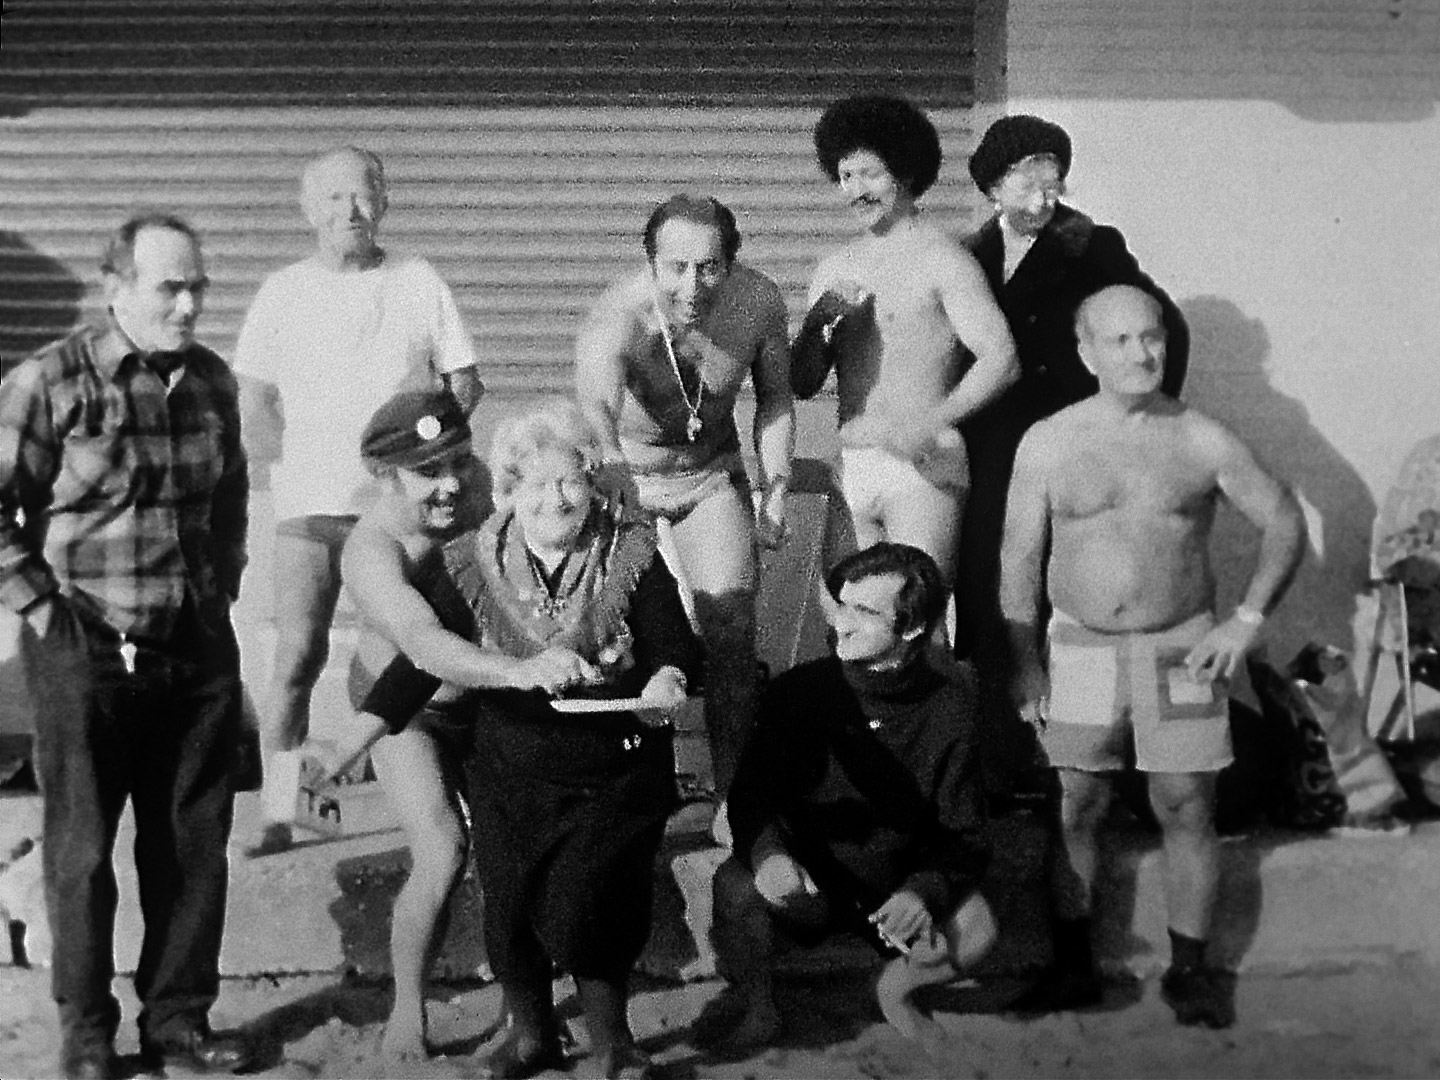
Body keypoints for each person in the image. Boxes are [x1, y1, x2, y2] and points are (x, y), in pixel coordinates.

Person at [348, 402, 703, 1079]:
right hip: (509, 766)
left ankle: (613, 1044)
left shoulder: (629, 553)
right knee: (508, 907)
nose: (555, 499)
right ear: (509, 490)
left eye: (569, 480)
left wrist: (669, 677)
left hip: (612, 770)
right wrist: (354, 740)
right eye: (536, 484)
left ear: (592, 482)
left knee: (586, 901)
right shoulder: (472, 561)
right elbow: (415, 666)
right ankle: (531, 1036)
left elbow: (674, 642)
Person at [999, 285, 1306, 1029]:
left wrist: (1244, 622)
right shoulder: (1049, 440)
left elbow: (1284, 519)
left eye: (1153, 336)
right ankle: (1073, 967)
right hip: (1080, 646)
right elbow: (1018, 560)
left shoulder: (1203, 438)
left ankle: (1191, 972)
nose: (1142, 353)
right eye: (1121, 340)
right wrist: (1026, 665)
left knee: (1186, 802)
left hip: (1180, 646)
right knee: (1075, 802)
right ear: (1087, 353)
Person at [0, 214, 251, 1079]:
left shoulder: (212, 380)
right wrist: (41, 608)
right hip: (85, 643)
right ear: (116, 287)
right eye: (169, 288)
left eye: (197, 288)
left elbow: (231, 498)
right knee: (80, 851)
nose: (188, 306)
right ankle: (86, 1035)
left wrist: (222, 588)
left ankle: (179, 1023)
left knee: (191, 845)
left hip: (195, 645)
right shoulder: (51, 380)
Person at [235, 145, 484, 856]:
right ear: (307, 209)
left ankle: (452, 806)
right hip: (311, 508)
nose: (350, 210)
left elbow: (465, 383)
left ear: (384, 201)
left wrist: (420, 459)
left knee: (422, 646)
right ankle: (282, 813)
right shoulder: (283, 291)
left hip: (396, 510)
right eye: (333, 197)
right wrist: (296, 461)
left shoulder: (417, 279)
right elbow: (252, 400)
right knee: (295, 657)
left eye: (363, 193)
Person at [704, 543, 996, 1054]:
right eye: (841, 604)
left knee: (978, 928)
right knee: (734, 888)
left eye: (864, 611)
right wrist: (768, 855)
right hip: (807, 885)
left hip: (893, 890)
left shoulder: (950, 709)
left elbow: (964, 832)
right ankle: (759, 1007)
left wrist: (923, 891)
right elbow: (750, 794)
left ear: (911, 628)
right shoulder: (799, 692)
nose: (842, 622)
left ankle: (895, 991)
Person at [576, 193, 794, 801]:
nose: (692, 286)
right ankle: (636, 787)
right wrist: (614, 471)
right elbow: (596, 403)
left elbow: (776, 398)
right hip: (633, 480)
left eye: (708, 267)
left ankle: (735, 795)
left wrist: (775, 487)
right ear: (651, 263)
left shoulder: (757, 302)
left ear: (732, 262)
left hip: (709, 474)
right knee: (626, 636)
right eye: (676, 268)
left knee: (731, 623)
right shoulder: (621, 314)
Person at [956, 113, 1189, 671]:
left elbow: (1164, 327)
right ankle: (999, 702)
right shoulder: (971, 254)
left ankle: (1067, 701)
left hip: (1069, 429)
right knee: (988, 568)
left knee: (1064, 570)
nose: (1043, 198)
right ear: (993, 187)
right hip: (993, 439)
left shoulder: (1089, 245)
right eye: (1028, 183)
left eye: (1052, 183)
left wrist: (1140, 413)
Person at [297, 390, 485, 1060]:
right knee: (443, 848)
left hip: (486, 699)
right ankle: (409, 1006)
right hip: (405, 710)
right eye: (428, 472)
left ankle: (531, 1007)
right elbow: (423, 646)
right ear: (386, 476)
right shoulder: (372, 553)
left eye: (459, 462)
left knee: (517, 842)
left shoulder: (481, 490)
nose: (452, 484)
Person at [790, 94, 1018, 595]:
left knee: (917, 614)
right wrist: (819, 321)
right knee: (850, 613)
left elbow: (1001, 359)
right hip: (853, 461)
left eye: (870, 174)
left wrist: (933, 420)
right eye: (846, 176)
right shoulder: (833, 269)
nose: (856, 190)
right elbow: (802, 382)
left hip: (922, 467)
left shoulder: (943, 259)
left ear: (906, 171)